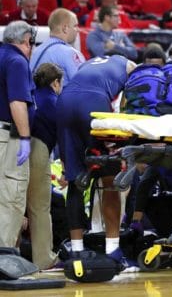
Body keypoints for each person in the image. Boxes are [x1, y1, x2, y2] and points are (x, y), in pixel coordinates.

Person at [56, 55, 137, 269]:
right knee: (109, 178)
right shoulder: (129, 66)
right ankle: (113, 250)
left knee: (74, 180)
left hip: (64, 102)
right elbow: (131, 104)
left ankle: (76, 250)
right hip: (93, 102)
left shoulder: (89, 63)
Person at [0, 21, 35, 248]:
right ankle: (4, 257)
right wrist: (24, 138)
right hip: (8, 137)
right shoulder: (16, 61)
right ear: (25, 41)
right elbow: (17, 102)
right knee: (12, 196)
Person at [28, 62, 63, 269]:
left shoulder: (30, 95)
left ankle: (8, 255)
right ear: (55, 82)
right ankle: (44, 259)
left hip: (15, 145)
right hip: (38, 150)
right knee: (39, 207)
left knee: (13, 207)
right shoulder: (54, 102)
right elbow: (64, 138)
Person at [30, 8, 85, 84]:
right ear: (65, 28)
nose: (78, 30)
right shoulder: (70, 53)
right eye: (75, 26)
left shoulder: (36, 51)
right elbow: (84, 85)